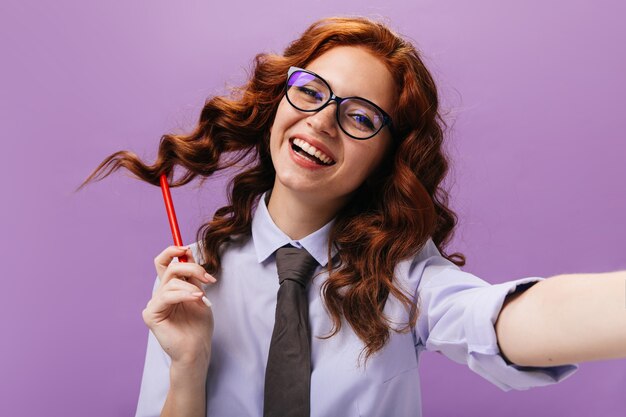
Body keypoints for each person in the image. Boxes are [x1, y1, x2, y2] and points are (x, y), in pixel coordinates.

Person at [78, 16, 626, 417]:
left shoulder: (404, 278)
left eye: (359, 115)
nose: (321, 121)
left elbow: (499, 320)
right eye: (312, 91)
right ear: (279, 99)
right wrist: (188, 364)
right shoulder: (193, 277)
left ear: (388, 156)